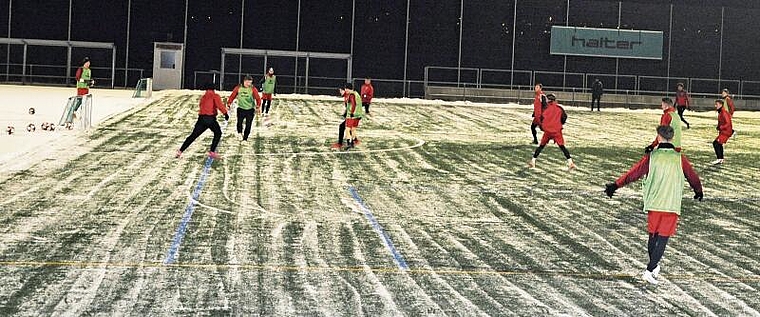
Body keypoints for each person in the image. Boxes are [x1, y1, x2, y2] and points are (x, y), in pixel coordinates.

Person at [604, 125, 703, 285]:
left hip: (654, 202)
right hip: (671, 203)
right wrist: (698, 190)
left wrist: (615, 185)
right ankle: (649, 270)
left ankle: (653, 266)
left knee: (653, 236)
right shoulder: (679, 158)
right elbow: (692, 176)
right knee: (663, 239)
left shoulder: (652, 157)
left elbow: (633, 173)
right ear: (672, 138)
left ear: (658, 137)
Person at [176, 82, 229, 160]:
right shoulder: (215, 96)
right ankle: (212, 151)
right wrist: (225, 114)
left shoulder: (204, 97)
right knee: (218, 133)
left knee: (193, 136)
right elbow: (219, 105)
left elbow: (201, 105)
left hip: (201, 119)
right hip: (210, 119)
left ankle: (180, 151)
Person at [529, 93, 576, 170]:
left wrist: (543, 127)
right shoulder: (559, 108)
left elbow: (540, 118)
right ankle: (570, 162)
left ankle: (533, 160)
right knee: (562, 147)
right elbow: (564, 117)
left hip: (548, 131)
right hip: (557, 131)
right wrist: (559, 123)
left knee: (541, 146)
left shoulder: (545, 109)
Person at [227, 75, 262, 142]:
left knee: (248, 125)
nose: (249, 84)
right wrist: (229, 103)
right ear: (244, 81)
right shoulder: (238, 88)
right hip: (241, 109)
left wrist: (258, 106)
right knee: (239, 123)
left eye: (250, 83)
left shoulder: (253, 89)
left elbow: (258, 98)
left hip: (250, 110)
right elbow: (232, 96)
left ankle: (245, 138)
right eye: (248, 83)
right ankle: (240, 133)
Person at [331, 83, 364, 149]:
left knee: (345, 127)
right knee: (351, 128)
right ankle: (354, 140)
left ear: (345, 90)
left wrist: (350, 113)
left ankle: (344, 143)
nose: (340, 92)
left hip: (353, 115)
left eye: (341, 90)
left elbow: (353, 104)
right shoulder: (352, 94)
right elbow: (350, 105)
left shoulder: (349, 95)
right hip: (357, 114)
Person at [711, 99, 733, 165]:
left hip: (726, 132)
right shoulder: (721, 112)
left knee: (716, 143)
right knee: (718, 143)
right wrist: (718, 126)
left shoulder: (724, 112)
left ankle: (719, 159)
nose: (715, 106)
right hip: (724, 131)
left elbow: (728, 123)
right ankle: (721, 159)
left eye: (716, 104)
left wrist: (721, 127)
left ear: (720, 105)